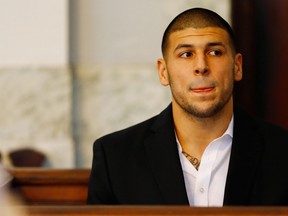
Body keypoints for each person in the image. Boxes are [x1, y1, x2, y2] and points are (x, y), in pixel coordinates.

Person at [87, 8, 288, 206]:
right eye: (186, 54)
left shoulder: (281, 151)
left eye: (215, 52)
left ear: (237, 66)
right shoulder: (115, 157)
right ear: (163, 72)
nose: (201, 66)